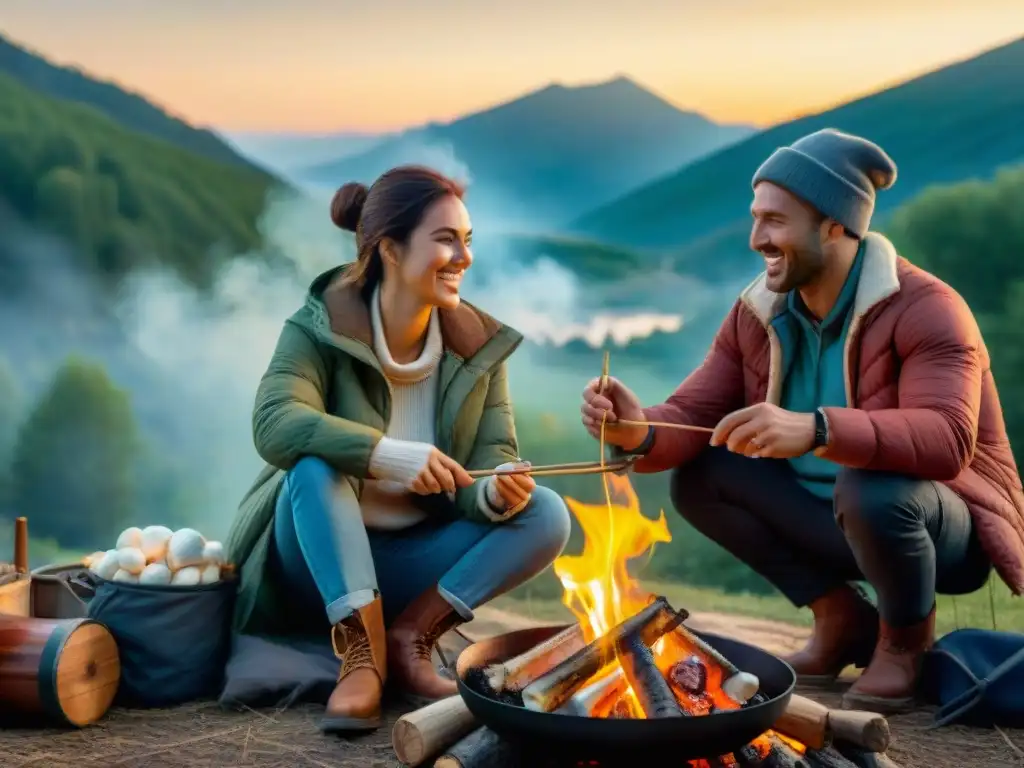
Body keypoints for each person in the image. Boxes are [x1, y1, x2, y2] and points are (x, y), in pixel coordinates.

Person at [579, 129, 1024, 714]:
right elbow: (693, 415)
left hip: (940, 528)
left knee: (871, 481)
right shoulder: (757, 312)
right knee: (703, 471)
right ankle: (840, 619)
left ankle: (905, 642)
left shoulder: (929, 309)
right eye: (755, 217)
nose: (756, 238)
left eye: (775, 221)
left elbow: (948, 440)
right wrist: (637, 429)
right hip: (832, 520)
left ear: (836, 225)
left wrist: (816, 429)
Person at [226, 165, 572, 733]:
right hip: (314, 560)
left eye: (467, 241)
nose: (464, 257)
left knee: (545, 513)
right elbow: (275, 424)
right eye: (445, 240)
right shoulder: (319, 328)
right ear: (389, 248)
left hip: (412, 562)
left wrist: (491, 493)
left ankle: (411, 636)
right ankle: (360, 655)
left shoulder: (478, 351)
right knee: (313, 467)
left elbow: (483, 469)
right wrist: (385, 454)